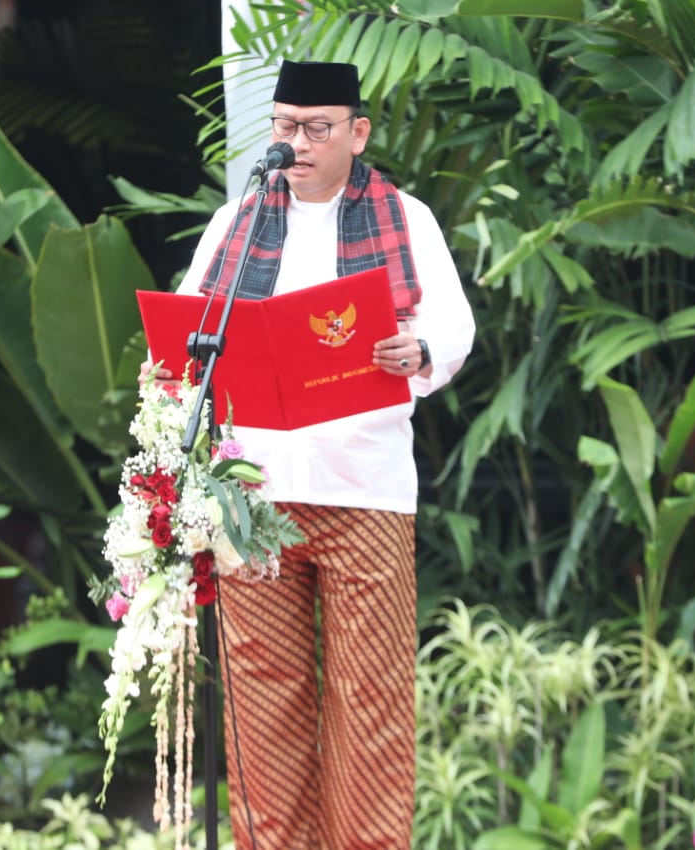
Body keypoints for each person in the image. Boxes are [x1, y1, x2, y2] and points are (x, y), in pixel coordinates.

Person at [145, 60, 474, 848]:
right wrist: (170, 365)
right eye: (285, 126)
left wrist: (417, 349)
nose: (297, 143)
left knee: (370, 705)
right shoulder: (239, 221)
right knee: (264, 704)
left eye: (317, 128)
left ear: (358, 133)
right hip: (251, 496)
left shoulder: (406, 216)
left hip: (365, 493)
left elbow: (454, 328)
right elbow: (192, 327)